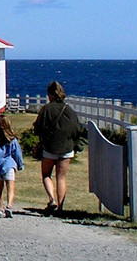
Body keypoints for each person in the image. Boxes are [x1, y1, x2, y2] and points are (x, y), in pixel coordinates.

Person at [33, 80, 83, 215]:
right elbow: (76, 128)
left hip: (49, 147)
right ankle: (61, 208)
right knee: (61, 177)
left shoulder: (47, 109)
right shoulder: (69, 110)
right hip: (67, 147)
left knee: (46, 175)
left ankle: (52, 199)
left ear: (50, 94)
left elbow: (38, 129)